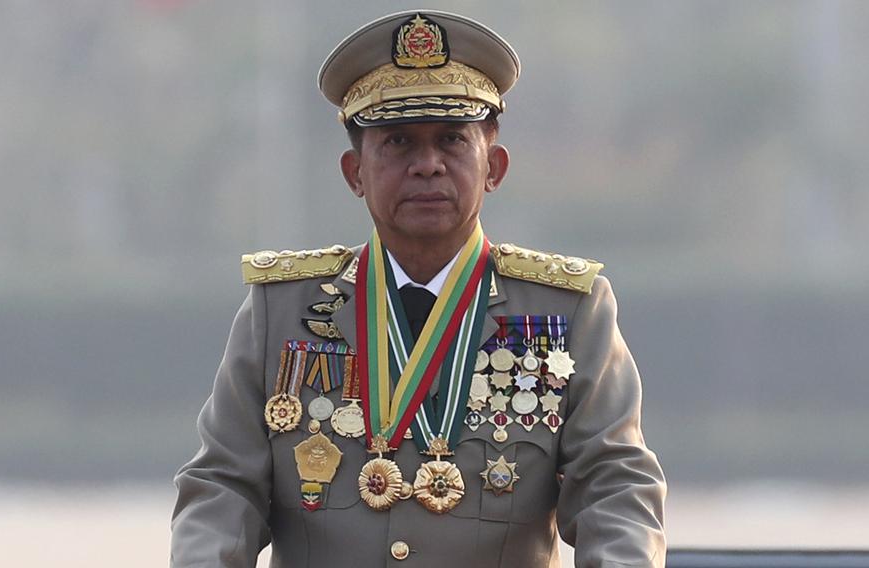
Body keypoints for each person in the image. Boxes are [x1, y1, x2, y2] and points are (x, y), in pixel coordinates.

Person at [171, 10, 665, 568]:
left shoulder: (569, 311)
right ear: (354, 172)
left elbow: (616, 487)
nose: (427, 165)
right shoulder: (282, 310)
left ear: (494, 167)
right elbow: (222, 486)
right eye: (400, 142)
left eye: (452, 140)